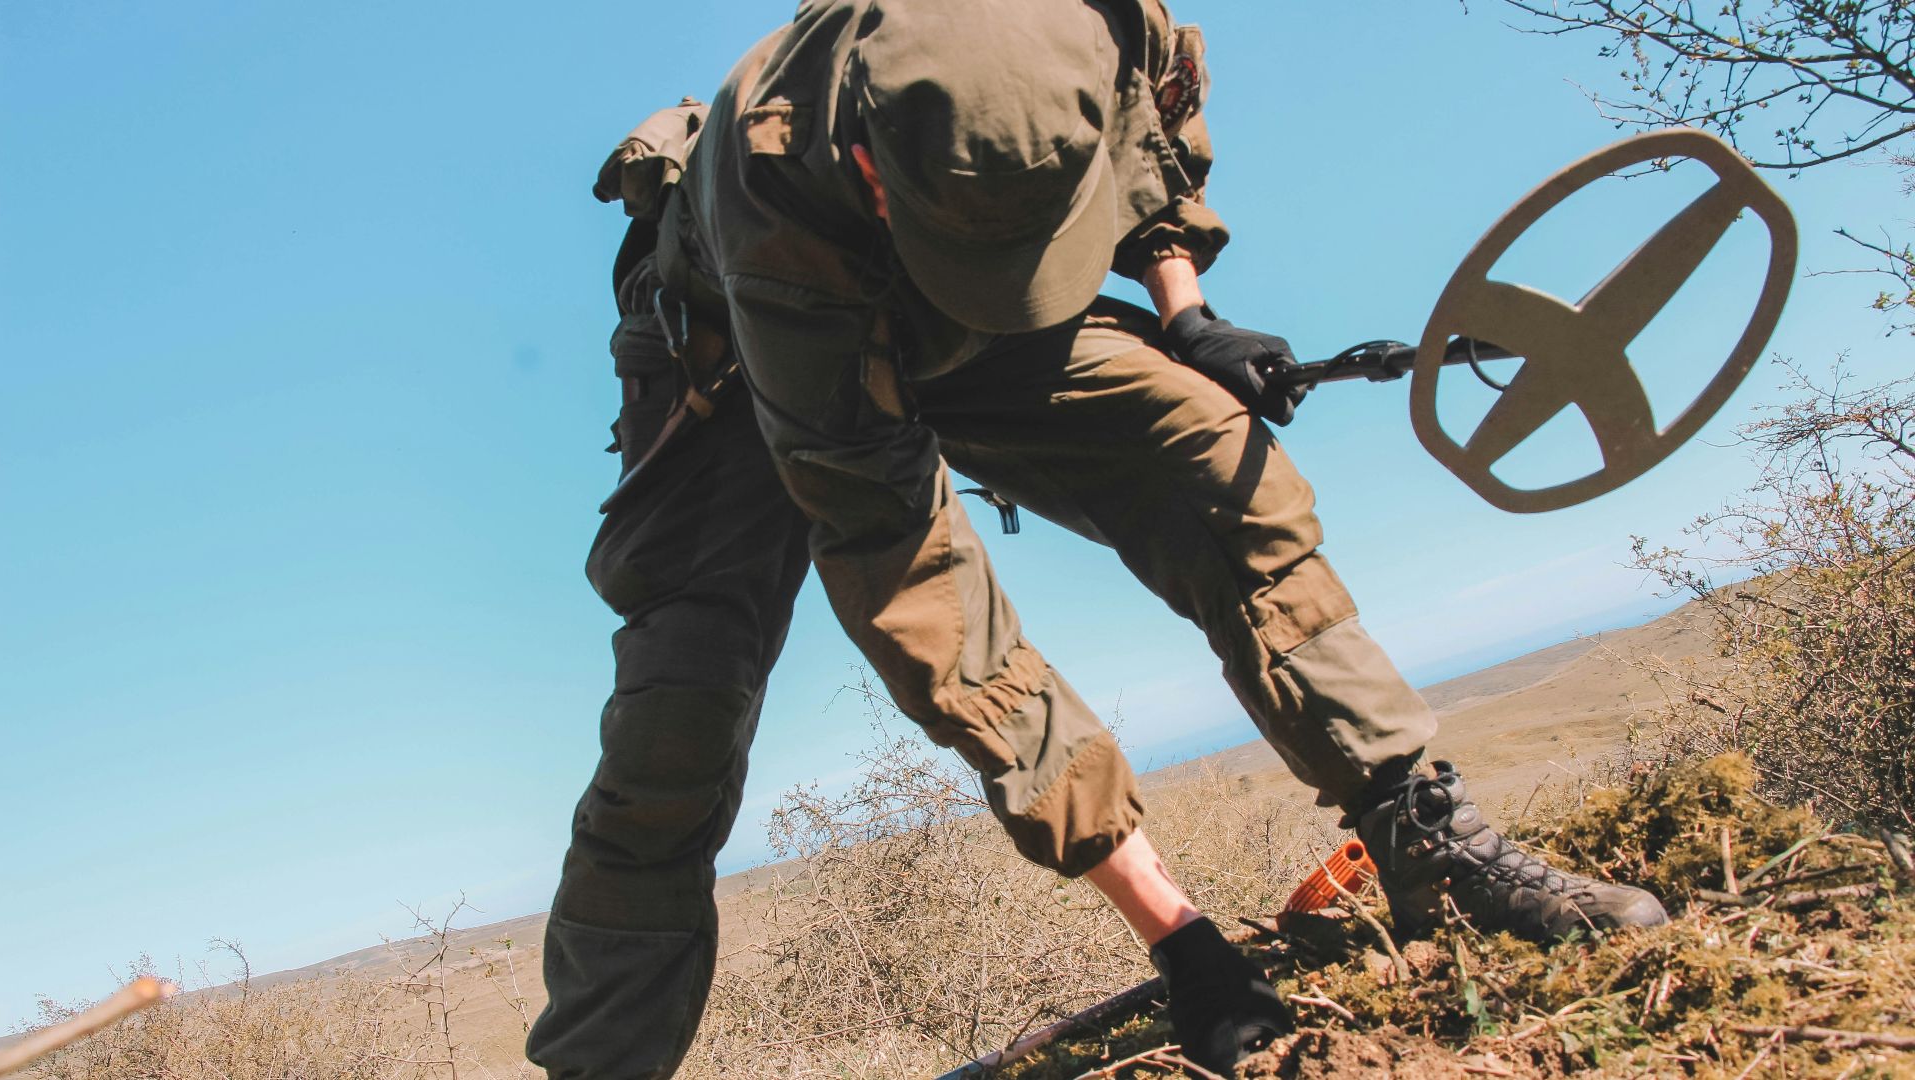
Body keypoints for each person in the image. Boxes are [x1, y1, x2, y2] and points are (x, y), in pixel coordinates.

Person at [529, 1, 1669, 1077]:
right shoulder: (779, 188)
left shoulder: (1106, 17)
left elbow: (1151, 139)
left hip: (964, 287)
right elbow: (920, 583)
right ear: (878, 170)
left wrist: (1189, 316)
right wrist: (1180, 939)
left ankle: (1424, 836)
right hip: (734, 353)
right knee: (676, 724)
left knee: (1204, 450)